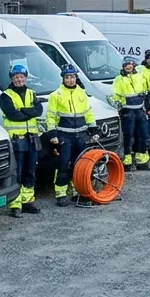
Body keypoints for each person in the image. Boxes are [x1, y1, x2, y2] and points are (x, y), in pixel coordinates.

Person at [46, 64, 100, 207]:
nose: (70, 80)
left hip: (81, 135)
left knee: (80, 164)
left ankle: (78, 191)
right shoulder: (55, 95)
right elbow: (50, 116)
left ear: (76, 78)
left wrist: (93, 129)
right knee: (63, 165)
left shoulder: (81, 93)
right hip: (65, 135)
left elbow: (88, 112)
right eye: (67, 77)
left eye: (73, 77)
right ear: (63, 78)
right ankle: (61, 194)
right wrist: (52, 134)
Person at [0, 63, 44, 217]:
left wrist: (24, 111)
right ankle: (15, 204)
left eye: (21, 77)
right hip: (17, 140)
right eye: (16, 77)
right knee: (17, 172)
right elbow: (13, 115)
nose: (19, 79)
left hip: (31, 138)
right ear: (12, 78)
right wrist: (29, 112)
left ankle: (28, 201)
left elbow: (39, 111)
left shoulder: (32, 93)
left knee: (30, 171)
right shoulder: (6, 95)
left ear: (25, 77)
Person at [111, 56, 150, 171]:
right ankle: (127, 160)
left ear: (133, 65)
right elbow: (115, 95)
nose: (129, 67)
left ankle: (141, 159)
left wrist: (146, 103)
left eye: (130, 64)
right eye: (126, 65)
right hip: (127, 110)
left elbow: (145, 90)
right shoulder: (118, 79)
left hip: (140, 109)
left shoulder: (139, 76)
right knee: (129, 135)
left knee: (143, 134)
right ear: (123, 67)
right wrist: (121, 106)